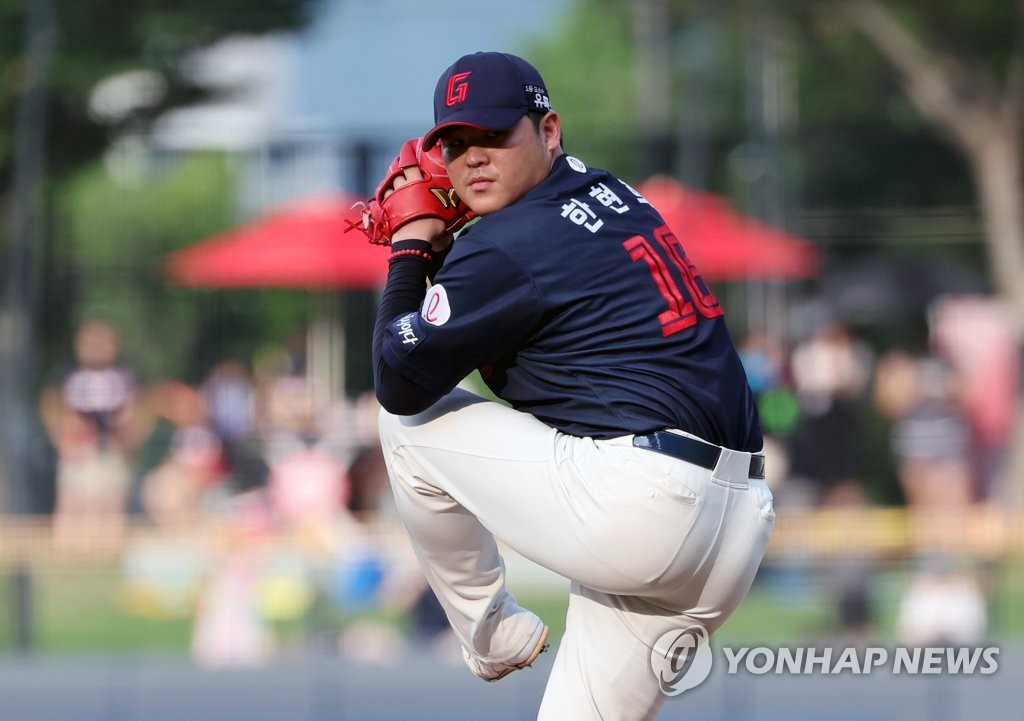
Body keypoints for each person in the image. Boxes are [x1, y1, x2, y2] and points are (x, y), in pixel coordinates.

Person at [370, 51, 774, 719]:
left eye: (495, 135)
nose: (472, 158)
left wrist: (413, 247)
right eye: (455, 143)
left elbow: (398, 379)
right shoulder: (608, 192)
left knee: (404, 428)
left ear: (549, 130)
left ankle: (491, 633)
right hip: (735, 526)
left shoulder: (504, 244)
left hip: (644, 505)